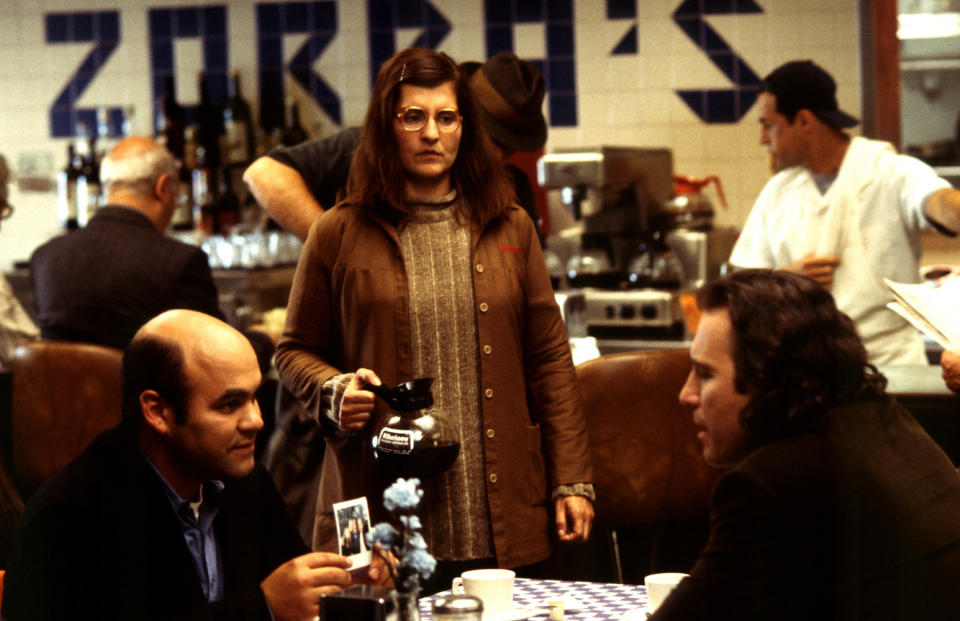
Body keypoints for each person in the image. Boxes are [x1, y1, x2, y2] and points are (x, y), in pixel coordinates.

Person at [274, 48, 594, 587]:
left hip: (499, 508)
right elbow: (293, 350)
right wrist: (333, 389)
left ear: (464, 127)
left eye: (446, 117)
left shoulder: (511, 226)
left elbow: (550, 360)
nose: (431, 133)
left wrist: (572, 481)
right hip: (377, 504)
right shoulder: (337, 231)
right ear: (386, 126)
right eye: (413, 117)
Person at [2, 309, 388, 621]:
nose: (255, 420)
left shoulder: (244, 480)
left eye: (255, 397)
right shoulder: (70, 516)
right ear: (158, 412)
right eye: (229, 404)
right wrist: (262, 608)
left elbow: (290, 583)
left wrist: (345, 579)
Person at [651, 269, 960, 621]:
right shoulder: (887, 422)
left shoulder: (771, 481)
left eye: (705, 374)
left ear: (767, 377)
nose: (686, 394)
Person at [728, 60, 960, 366]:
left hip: (890, 368)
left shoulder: (890, 172)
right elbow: (739, 288)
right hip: (805, 372)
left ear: (804, 120)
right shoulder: (778, 191)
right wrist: (784, 282)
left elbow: (938, 202)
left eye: (768, 125)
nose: (762, 139)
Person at [242, 50, 547, 241]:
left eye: (509, 147)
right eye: (491, 138)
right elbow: (264, 173)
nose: (496, 154)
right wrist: (328, 246)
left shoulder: (512, 190)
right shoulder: (371, 149)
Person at [29, 137, 225, 350]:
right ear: (163, 187)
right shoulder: (180, 261)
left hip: (58, 384)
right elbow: (215, 354)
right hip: (142, 384)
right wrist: (264, 338)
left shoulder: (45, 258)